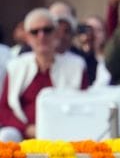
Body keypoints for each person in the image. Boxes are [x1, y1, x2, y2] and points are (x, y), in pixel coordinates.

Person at [0, 8, 88, 141]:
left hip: (64, 132)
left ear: (56, 33)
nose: (41, 36)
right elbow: (4, 108)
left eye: (47, 30)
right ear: (28, 38)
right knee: (6, 137)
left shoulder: (76, 66)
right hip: (24, 133)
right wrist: (27, 128)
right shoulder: (16, 66)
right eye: (35, 32)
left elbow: (84, 106)